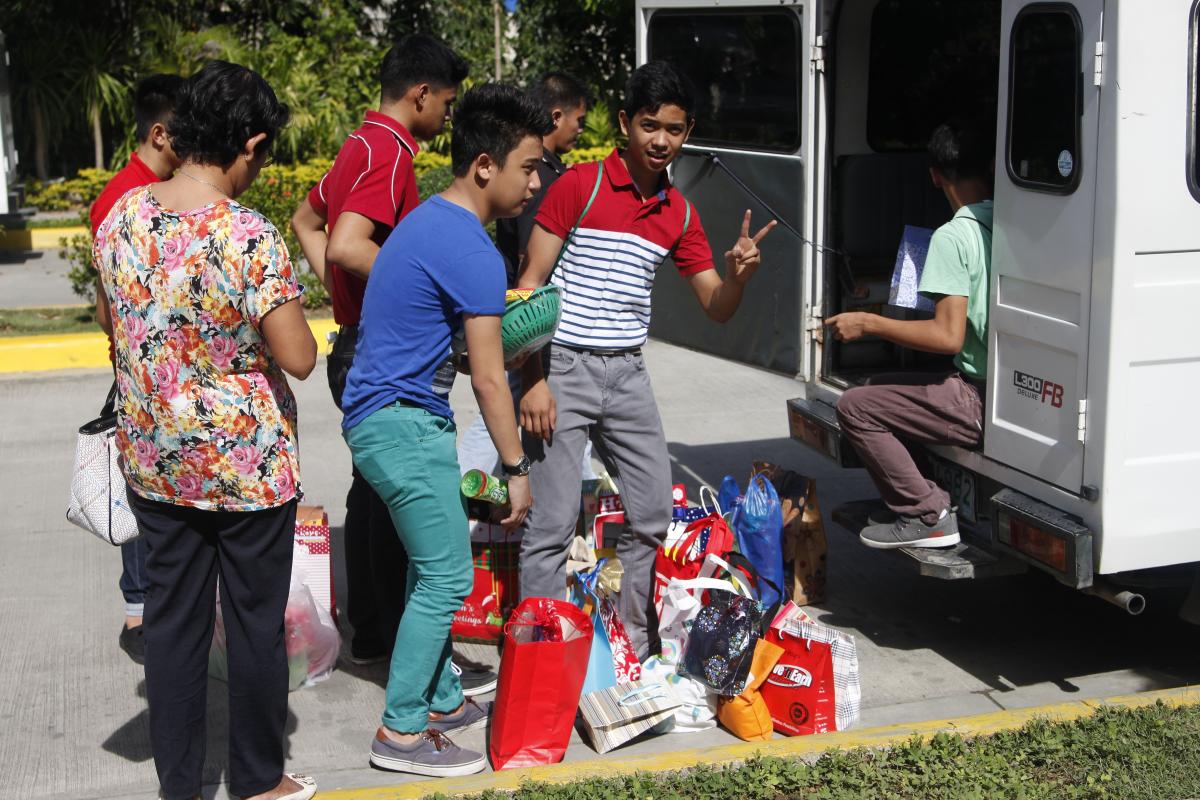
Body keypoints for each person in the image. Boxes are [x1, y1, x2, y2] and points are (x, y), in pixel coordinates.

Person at [93, 61, 318, 800]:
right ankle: (258, 779)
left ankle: (179, 786)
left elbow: (114, 326)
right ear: (249, 144)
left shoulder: (123, 216)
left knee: (172, 625)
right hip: (245, 471)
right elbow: (299, 356)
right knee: (254, 624)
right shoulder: (247, 235)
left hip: (155, 462)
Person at [515, 60, 777, 658]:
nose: (662, 141)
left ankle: (630, 644)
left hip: (627, 373)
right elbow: (527, 285)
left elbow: (716, 304)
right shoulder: (578, 186)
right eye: (650, 126)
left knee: (653, 514)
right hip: (563, 367)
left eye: (676, 130)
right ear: (625, 123)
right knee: (552, 526)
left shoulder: (679, 214)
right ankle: (540, 656)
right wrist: (531, 379)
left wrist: (737, 277)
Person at [340, 83, 548, 777]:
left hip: (385, 419)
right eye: (528, 166)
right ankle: (400, 733)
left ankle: (441, 696)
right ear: (485, 165)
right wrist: (518, 472)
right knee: (448, 576)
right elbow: (490, 379)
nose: (535, 182)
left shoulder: (429, 221)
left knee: (429, 569)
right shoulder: (474, 252)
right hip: (402, 425)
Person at [290, 36, 494, 694]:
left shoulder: (359, 143)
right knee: (396, 504)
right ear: (421, 96)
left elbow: (306, 220)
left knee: (374, 495)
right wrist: (408, 290)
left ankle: (378, 635)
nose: (446, 117)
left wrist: (346, 295)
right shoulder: (391, 152)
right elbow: (349, 243)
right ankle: (398, 645)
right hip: (374, 344)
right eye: (448, 103)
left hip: (356, 336)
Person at [826, 119, 995, 550]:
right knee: (879, 390)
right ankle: (924, 496)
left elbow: (948, 336)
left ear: (934, 175)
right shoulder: (1010, 222)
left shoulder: (954, 236)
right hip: (1002, 391)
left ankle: (928, 513)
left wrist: (867, 322)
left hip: (976, 397)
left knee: (855, 406)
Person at [87, 72, 183, 665]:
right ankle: (139, 608)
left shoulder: (159, 189)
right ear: (159, 132)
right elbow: (109, 310)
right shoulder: (123, 200)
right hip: (143, 375)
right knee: (141, 488)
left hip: (162, 373)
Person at [457, 70, 594, 477]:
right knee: (500, 416)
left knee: (520, 422)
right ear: (556, 116)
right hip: (528, 325)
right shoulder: (547, 182)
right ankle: (462, 503)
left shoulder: (542, 174)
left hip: (523, 323)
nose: (581, 130)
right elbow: (530, 270)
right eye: (579, 121)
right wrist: (534, 367)